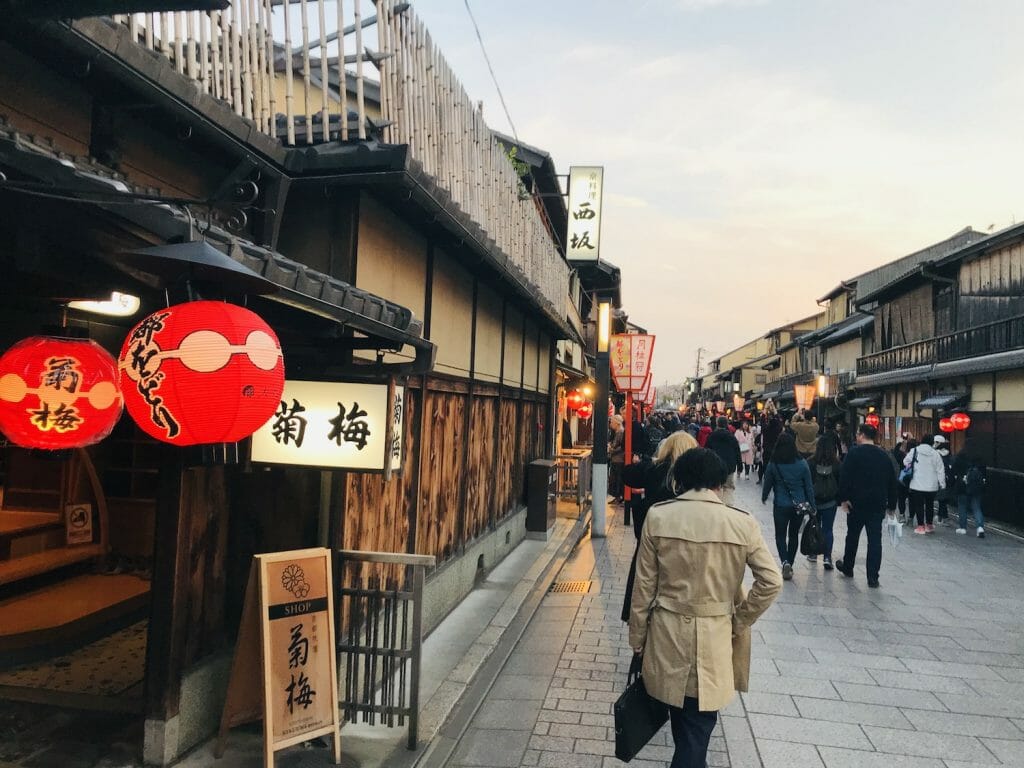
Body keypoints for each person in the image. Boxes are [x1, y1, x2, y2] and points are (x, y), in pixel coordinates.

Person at [629, 449, 782, 768]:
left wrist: (638, 640)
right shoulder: (742, 523)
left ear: (679, 480)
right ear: (719, 483)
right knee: (697, 728)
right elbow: (771, 581)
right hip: (715, 634)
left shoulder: (659, 516)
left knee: (684, 726)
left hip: (667, 633)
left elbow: (643, 587)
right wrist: (739, 620)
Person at [619, 431, 699, 621]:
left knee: (645, 583)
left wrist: (647, 461)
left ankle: (639, 626)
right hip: (686, 541)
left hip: (652, 538)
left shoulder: (655, 469)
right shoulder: (696, 476)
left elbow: (628, 474)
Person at [835, 424, 898, 588]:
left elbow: (845, 476)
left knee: (853, 536)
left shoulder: (854, 453)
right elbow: (892, 481)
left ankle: (848, 567)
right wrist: (892, 504)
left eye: (857, 433)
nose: (856, 436)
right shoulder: (884, 456)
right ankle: (873, 577)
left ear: (862, 435)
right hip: (877, 504)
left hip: (857, 502)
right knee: (875, 540)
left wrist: (843, 498)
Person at [761, 433, 815, 581]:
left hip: (780, 504)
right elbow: (809, 487)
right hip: (799, 505)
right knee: (793, 535)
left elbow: (768, 482)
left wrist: (764, 496)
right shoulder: (802, 463)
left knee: (780, 535)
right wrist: (813, 506)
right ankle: (790, 562)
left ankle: (784, 561)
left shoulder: (774, 463)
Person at [807, 433, 841, 570]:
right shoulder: (837, 464)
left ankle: (814, 553)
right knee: (828, 529)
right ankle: (827, 557)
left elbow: (807, 482)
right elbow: (840, 482)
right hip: (830, 502)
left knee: (815, 527)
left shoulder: (810, 462)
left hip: (814, 501)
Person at [904, 434, 946, 534]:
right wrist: (942, 483)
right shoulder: (935, 454)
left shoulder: (914, 450)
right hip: (931, 485)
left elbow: (905, 461)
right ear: (932, 442)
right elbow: (940, 469)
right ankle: (929, 525)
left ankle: (920, 526)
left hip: (917, 483)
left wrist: (913, 465)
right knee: (929, 505)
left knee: (919, 505)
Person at [952, 438, 987, 537]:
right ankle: (980, 527)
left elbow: (954, 469)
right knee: (976, 507)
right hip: (976, 486)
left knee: (962, 506)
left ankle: (963, 527)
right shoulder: (980, 456)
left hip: (962, 484)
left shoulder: (961, 455)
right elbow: (984, 472)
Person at [706, 416, 742, 504]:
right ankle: (728, 506)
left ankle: (718, 505)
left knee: (716, 487)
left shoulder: (712, 436)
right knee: (728, 487)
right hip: (729, 466)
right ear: (727, 424)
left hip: (715, 466)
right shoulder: (731, 437)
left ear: (717, 424)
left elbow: (706, 451)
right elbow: (737, 451)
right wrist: (740, 466)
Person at [892, 434, 914, 522]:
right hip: (911, 476)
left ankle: (902, 516)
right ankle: (909, 517)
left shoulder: (899, 449)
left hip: (902, 476)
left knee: (902, 497)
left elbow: (895, 457)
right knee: (911, 498)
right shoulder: (914, 448)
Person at [933, 435, 953, 525]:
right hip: (946, 478)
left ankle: (941, 517)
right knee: (943, 498)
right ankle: (942, 516)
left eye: (936, 442)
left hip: (937, 478)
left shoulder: (934, 453)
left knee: (941, 498)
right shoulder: (948, 453)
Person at [758, 412, 782, 484]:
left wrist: (764, 413)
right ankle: (773, 479)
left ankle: (767, 478)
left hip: (766, 451)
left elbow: (762, 422)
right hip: (775, 451)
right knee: (775, 466)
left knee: (765, 465)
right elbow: (779, 422)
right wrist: (775, 412)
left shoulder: (765, 429)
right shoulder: (777, 430)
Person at [608, 415, 625, 503]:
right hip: (617, 459)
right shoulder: (618, 431)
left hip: (618, 459)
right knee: (615, 480)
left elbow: (621, 446)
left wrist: (612, 450)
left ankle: (618, 496)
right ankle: (617, 497)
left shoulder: (620, 432)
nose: (611, 424)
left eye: (612, 422)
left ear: (617, 423)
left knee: (616, 480)